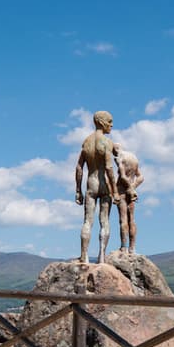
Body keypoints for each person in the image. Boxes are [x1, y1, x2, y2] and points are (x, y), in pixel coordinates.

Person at [75, 110, 117, 264]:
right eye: (110, 121)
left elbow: (79, 168)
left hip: (90, 185)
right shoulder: (106, 142)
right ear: (101, 122)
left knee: (87, 221)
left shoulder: (86, 142)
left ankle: (84, 256)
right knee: (104, 220)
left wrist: (78, 190)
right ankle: (101, 257)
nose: (111, 125)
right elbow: (109, 168)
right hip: (104, 184)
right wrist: (115, 189)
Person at [113, 142, 144, 253]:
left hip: (122, 191)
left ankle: (124, 247)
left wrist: (130, 188)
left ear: (115, 150)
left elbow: (122, 177)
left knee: (123, 219)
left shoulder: (120, 158)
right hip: (131, 193)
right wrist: (133, 188)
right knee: (132, 219)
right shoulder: (133, 157)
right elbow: (141, 177)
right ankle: (132, 248)